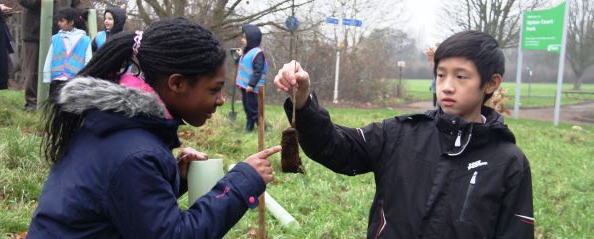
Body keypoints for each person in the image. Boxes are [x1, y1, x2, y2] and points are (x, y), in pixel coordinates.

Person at [27, 17, 279, 238]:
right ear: (177, 83)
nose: (221, 99)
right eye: (214, 89)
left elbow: (125, 204)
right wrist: (242, 182)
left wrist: (174, 178)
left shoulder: (112, 123)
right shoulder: (135, 154)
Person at [274, 31, 534, 238]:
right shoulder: (399, 133)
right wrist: (303, 102)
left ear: (491, 83)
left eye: (461, 77)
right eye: (441, 75)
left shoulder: (508, 162)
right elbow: (335, 148)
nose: (447, 86)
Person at [18, 0, 81, 111]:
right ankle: (32, 102)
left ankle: (53, 102)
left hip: (60, 33)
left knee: (58, 68)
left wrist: (76, 16)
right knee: (34, 68)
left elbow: (76, 4)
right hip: (34, 32)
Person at [42, 7, 91, 99]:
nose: (59, 23)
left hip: (75, 80)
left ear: (71, 22)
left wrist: (85, 79)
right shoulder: (55, 38)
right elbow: (49, 58)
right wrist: (47, 76)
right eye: (58, 21)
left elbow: (88, 61)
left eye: (62, 21)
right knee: (55, 106)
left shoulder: (85, 40)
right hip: (56, 79)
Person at [235, 24, 267, 132]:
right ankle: (251, 128)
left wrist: (251, 85)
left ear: (251, 39)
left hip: (252, 89)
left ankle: (261, 128)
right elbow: (245, 65)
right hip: (246, 87)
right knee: (248, 109)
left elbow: (258, 71)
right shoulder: (247, 52)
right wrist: (240, 56)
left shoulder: (258, 53)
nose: (242, 39)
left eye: (244, 37)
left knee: (253, 110)